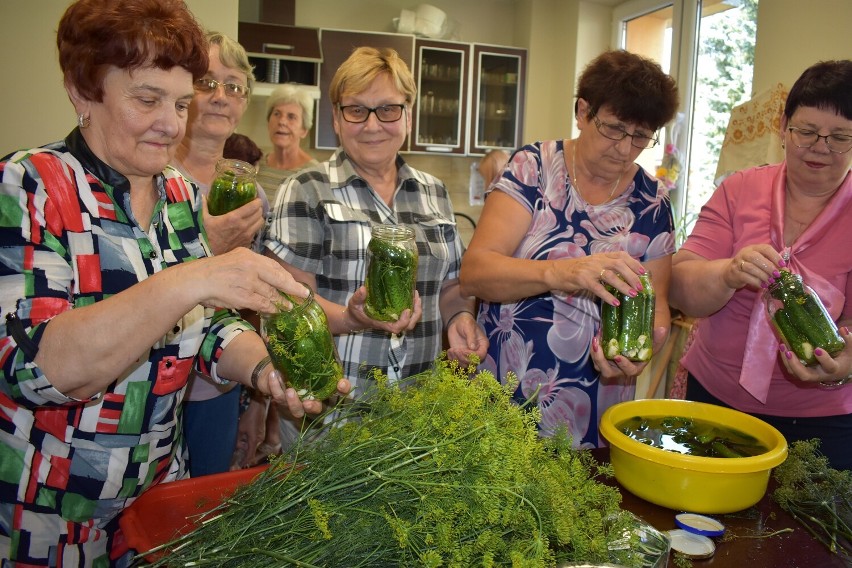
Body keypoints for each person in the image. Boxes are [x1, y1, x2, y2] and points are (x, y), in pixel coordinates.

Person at [0, 1, 350, 565]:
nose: (172, 123)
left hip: (158, 496)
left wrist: (265, 370)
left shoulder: (180, 196)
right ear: (83, 91)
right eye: (147, 99)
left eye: (182, 102)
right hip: (51, 509)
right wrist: (194, 278)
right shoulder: (31, 186)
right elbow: (35, 368)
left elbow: (208, 328)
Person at [265, 46, 488, 447]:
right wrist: (354, 318)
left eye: (388, 109)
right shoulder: (306, 190)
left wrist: (459, 321)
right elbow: (285, 307)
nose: (372, 125)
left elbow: (452, 286)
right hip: (330, 415)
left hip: (417, 412)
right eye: (356, 110)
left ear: (408, 115)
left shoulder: (433, 193)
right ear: (336, 117)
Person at [459, 50, 679, 449]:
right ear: (582, 111)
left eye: (641, 137)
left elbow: (657, 304)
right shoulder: (533, 168)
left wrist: (643, 350)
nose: (625, 149)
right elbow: (475, 272)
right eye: (613, 129)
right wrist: (559, 273)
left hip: (594, 403)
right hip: (502, 391)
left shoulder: (652, 203)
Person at [669, 59, 852, 471]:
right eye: (806, 131)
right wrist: (727, 273)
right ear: (783, 125)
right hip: (715, 402)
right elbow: (681, 285)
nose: (820, 147)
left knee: (811, 533)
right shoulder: (739, 190)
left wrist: (844, 364)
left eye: (839, 137)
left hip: (823, 424)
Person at [171, 31, 272, 478]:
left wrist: (258, 401)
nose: (219, 97)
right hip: (146, 384)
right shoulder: (151, 179)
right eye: (206, 82)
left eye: (233, 87)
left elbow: (256, 306)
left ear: (244, 103)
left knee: (200, 517)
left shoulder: (251, 197)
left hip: (218, 386)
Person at [255, 83, 319, 201]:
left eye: (291, 117)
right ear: (268, 122)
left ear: (304, 130)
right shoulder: (256, 165)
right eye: (277, 114)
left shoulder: (314, 174)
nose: (282, 121)